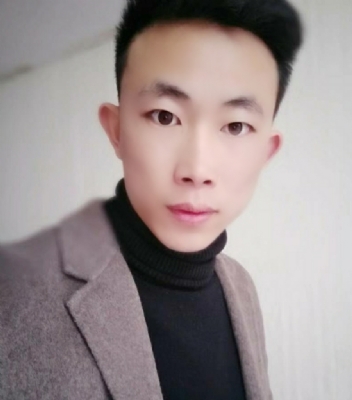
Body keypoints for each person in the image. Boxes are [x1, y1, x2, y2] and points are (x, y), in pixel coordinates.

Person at [0, 0, 303, 398]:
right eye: (164, 116)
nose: (197, 169)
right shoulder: (13, 292)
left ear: (265, 151)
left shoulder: (241, 287)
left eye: (235, 126)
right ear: (116, 131)